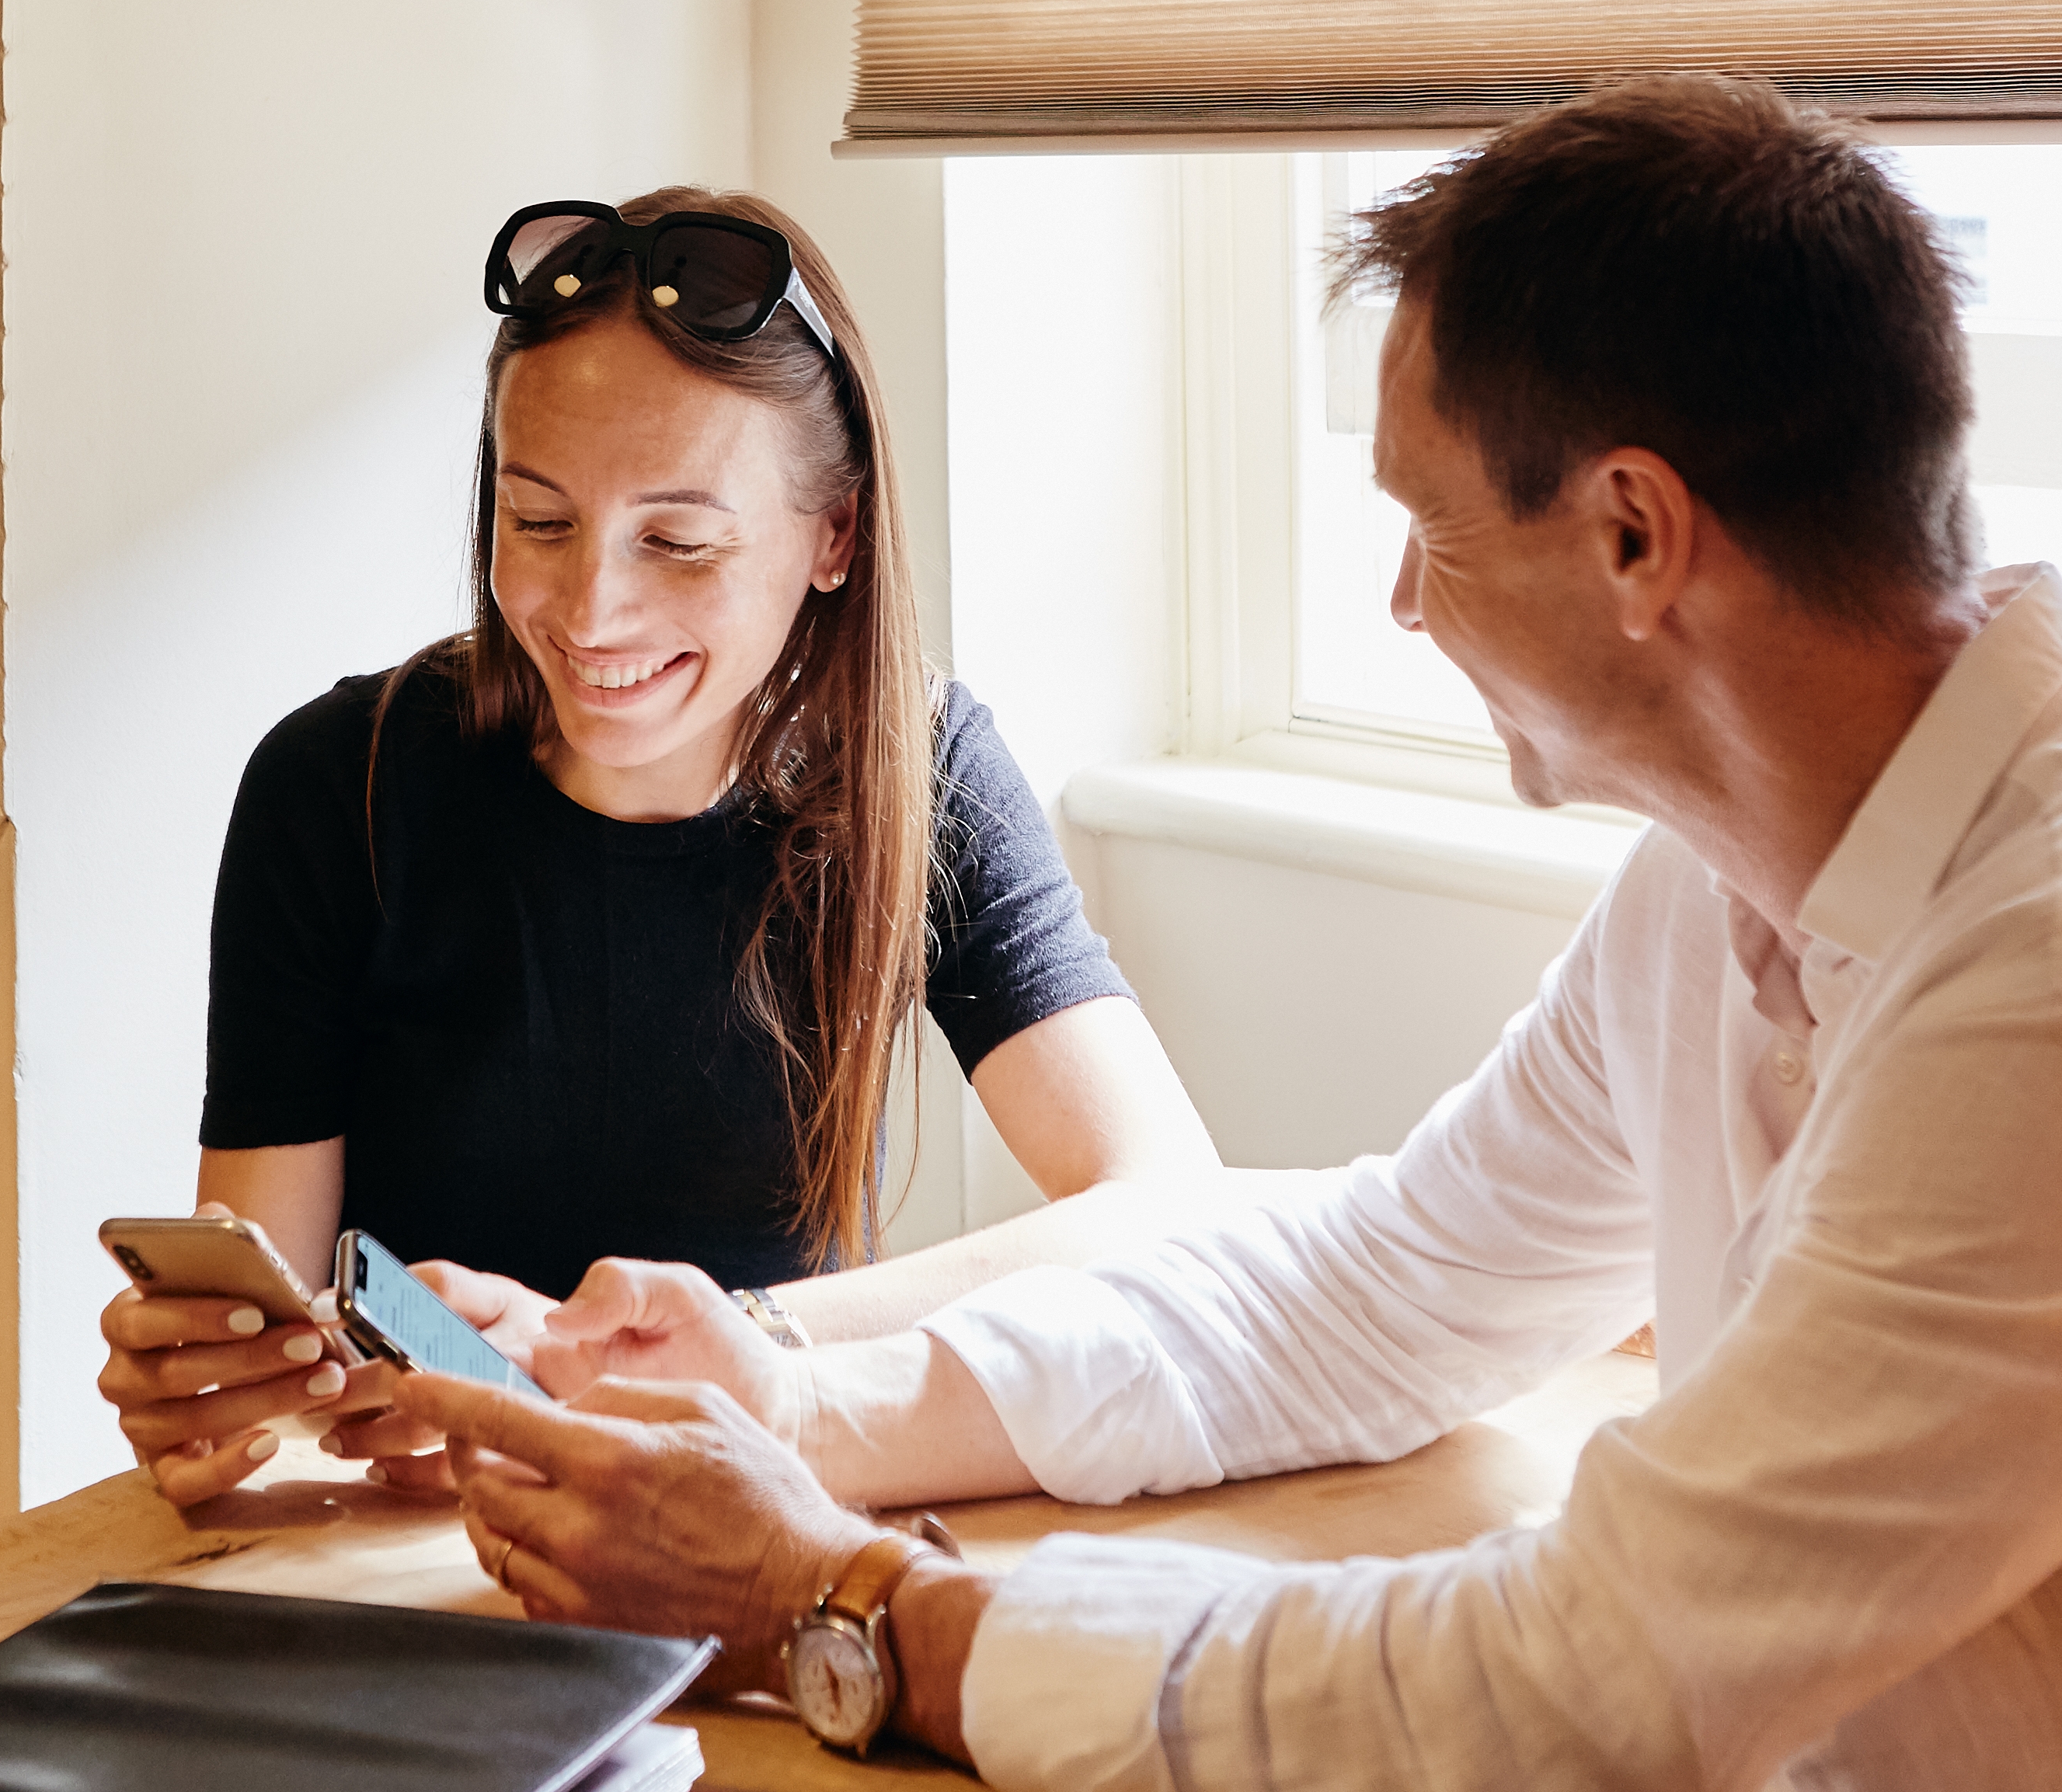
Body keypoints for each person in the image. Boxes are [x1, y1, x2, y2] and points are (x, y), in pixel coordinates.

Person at [402, 79, 2062, 1792]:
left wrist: (845, 1603)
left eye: (1428, 522)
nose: (1392, 599)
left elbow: (1578, 1710)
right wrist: (797, 1410)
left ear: (1634, 537)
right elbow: (1366, 1287)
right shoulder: (1732, 893)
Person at [99, 190, 1226, 1506]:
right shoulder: (331, 787)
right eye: (537, 521)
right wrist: (209, 1384)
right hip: (417, 1540)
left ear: (834, 537)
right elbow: (276, 1331)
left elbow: (1162, 1204)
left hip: (743, 1512)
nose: (589, 609)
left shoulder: (915, 772)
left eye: (677, 540)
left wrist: (736, 1344)